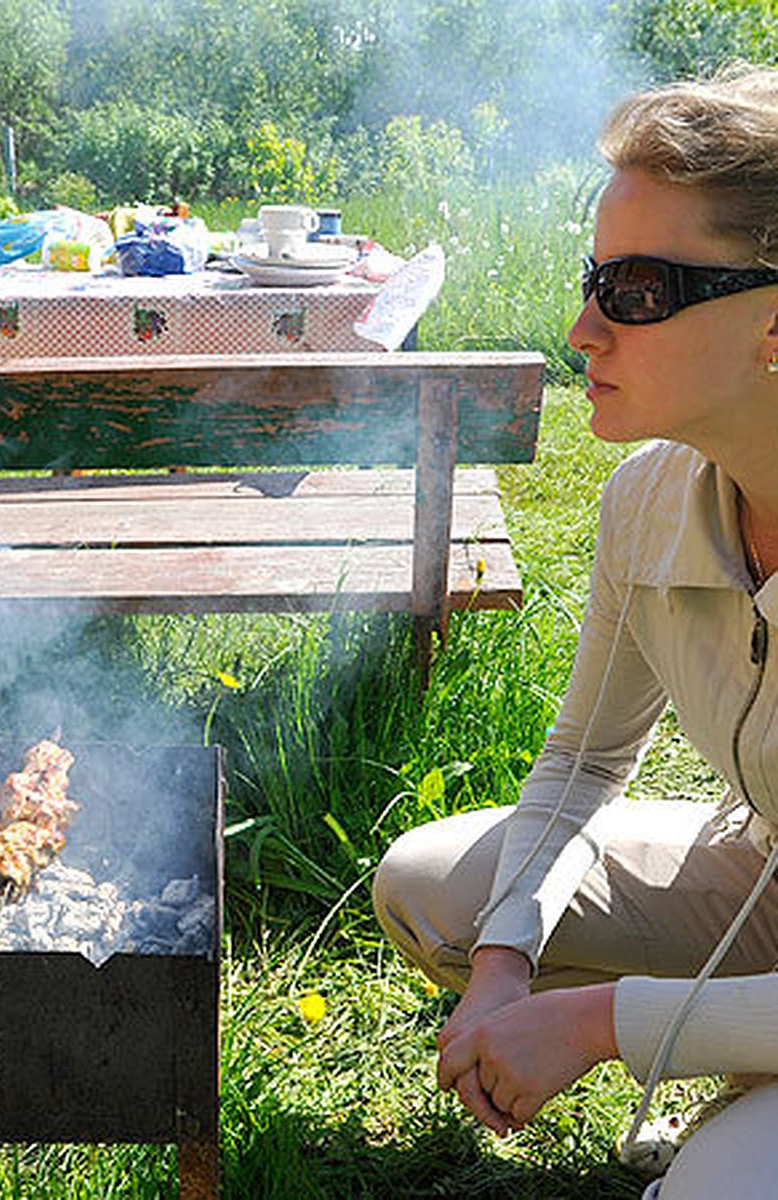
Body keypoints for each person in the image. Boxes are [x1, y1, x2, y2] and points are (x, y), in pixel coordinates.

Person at [372, 64, 778, 1200]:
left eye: (638, 290)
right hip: (767, 875)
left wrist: (599, 1024)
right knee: (437, 887)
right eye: (595, 279)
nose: (582, 327)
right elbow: (588, 760)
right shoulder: (648, 498)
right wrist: (504, 968)